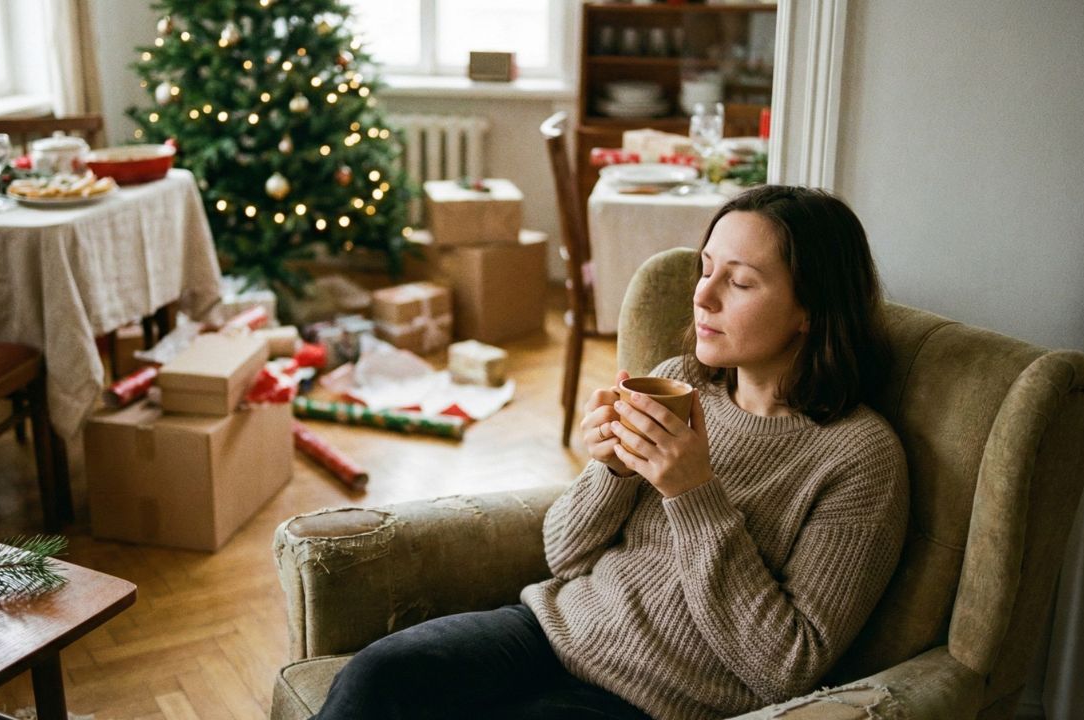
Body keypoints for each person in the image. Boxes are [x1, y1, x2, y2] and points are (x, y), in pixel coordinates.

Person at [314, 185, 909, 720]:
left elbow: (787, 666)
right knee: (375, 677)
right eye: (706, 270)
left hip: (656, 700)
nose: (702, 296)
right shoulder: (683, 382)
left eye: (741, 281)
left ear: (812, 309)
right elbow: (564, 555)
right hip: (555, 630)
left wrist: (693, 493)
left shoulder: (860, 458)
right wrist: (612, 469)